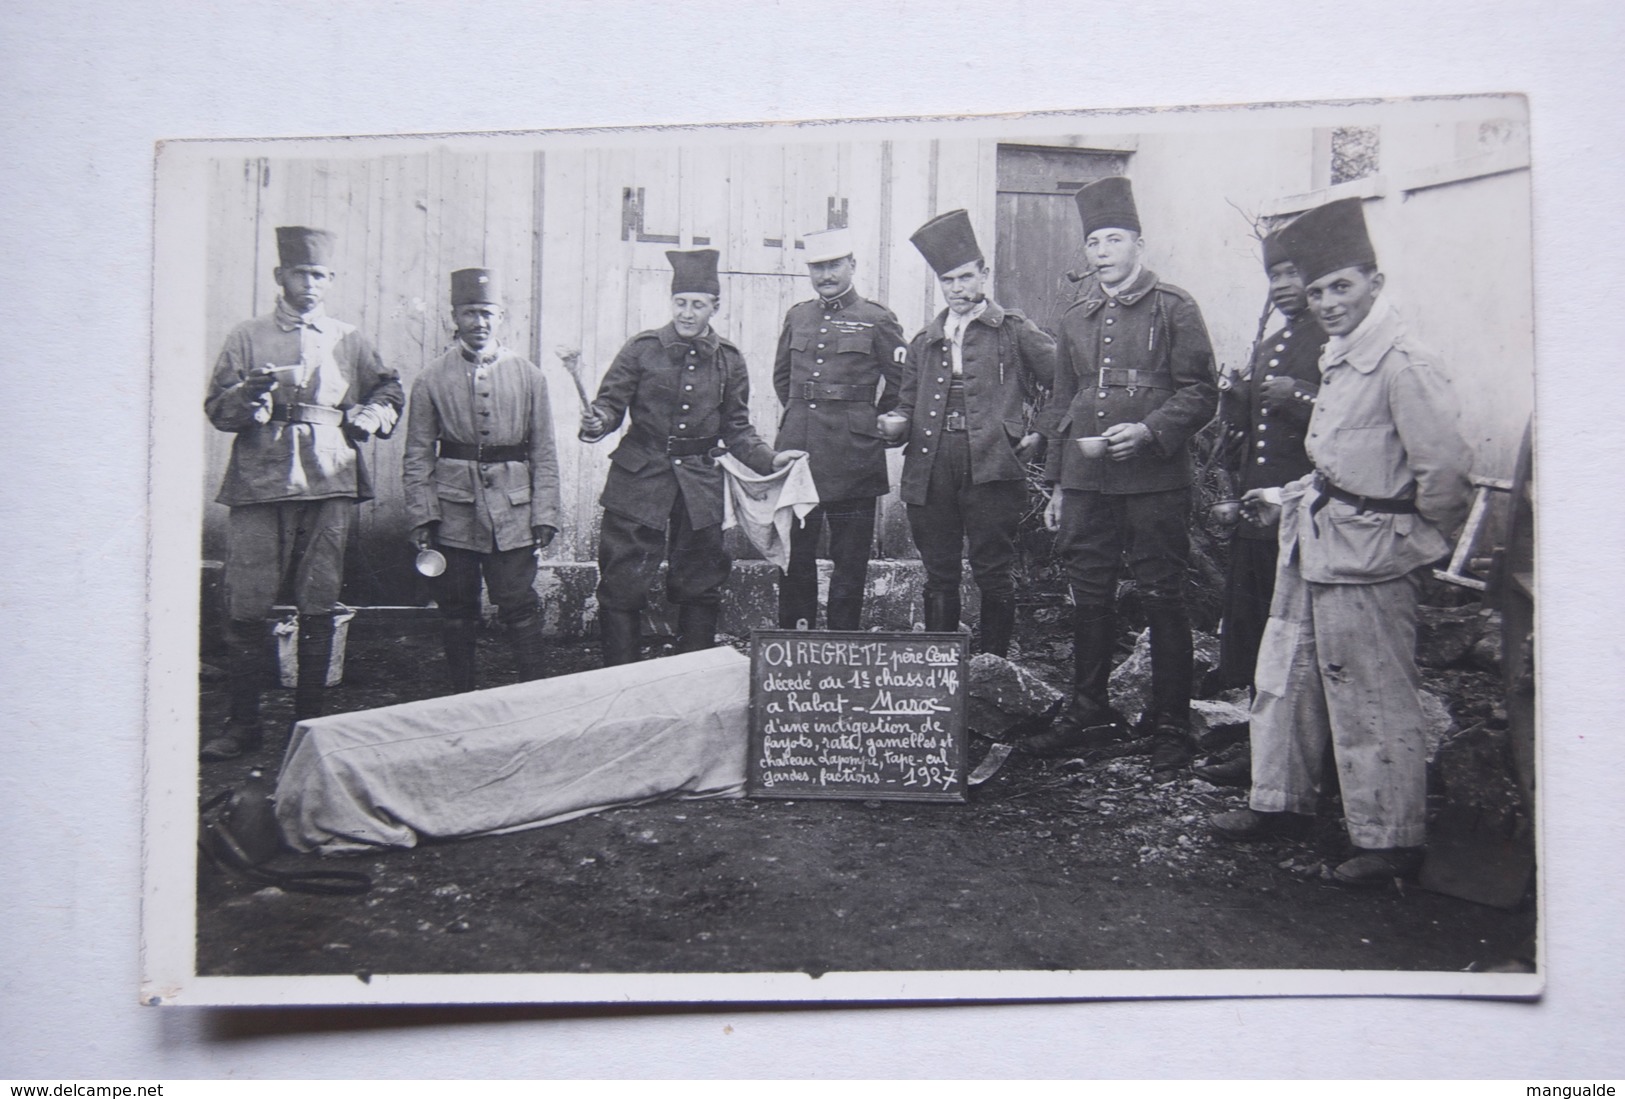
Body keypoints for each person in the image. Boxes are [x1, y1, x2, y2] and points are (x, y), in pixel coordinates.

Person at [1208, 197, 1471, 887]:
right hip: (1311, 537)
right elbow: (1337, 461)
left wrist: (1413, 543)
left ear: (1374, 284)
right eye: (1317, 288)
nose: (1325, 301)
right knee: (1283, 679)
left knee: (1371, 697)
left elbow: (1442, 475)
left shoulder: (1404, 361)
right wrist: (1281, 497)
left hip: (1369, 555)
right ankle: (1279, 803)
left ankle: (1388, 841)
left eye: (1341, 286)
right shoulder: (1339, 354)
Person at [1024, 177, 1218, 774]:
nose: (1102, 251)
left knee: (1162, 593)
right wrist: (1057, 483)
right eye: (1093, 242)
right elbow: (1059, 405)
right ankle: (1088, 709)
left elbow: (1202, 392)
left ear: (1139, 243)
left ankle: (1170, 724)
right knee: (1089, 591)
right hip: (1086, 480)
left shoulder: (1175, 307)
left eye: (1114, 239)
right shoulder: (1076, 316)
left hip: (1154, 480)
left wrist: (1153, 431)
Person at [201, 226, 403, 762]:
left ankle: (308, 723)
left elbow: (389, 387)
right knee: (246, 607)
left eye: (319, 275)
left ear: (329, 281)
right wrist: (247, 395)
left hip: (328, 479)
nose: (309, 284)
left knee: (318, 602)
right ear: (280, 277)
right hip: (260, 482)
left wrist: (371, 412)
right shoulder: (247, 336)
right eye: (300, 273)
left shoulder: (348, 337)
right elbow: (217, 410)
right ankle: (242, 724)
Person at [579, 249, 805, 665]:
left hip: (699, 482)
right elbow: (609, 405)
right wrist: (599, 421)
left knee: (701, 581)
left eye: (697, 304)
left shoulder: (729, 360)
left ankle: (690, 681)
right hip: (638, 477)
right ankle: (617, 682)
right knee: (622, 580)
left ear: (713, 307)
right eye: (680, 302)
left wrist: (770, 460)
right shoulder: (641, 349)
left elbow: (736, 427)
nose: (687, 313)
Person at [1195, 231, 1327, 785]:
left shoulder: (1328, 338)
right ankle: (1259, 743)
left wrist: (1296, 396)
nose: (1284, 286)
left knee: (1294, 632)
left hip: (1303, 509)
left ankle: (1299, 756)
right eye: (1275, 277)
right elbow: (1245, 435)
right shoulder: (1272, 341)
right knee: (1254, 625)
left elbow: (1338, 419)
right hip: (1259, 507)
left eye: (1294, 274)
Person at [893, 209, 1056, 656]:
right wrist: (895, 423)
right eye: (948, 281)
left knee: (993, 569)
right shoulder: (924, 340)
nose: (958, 289)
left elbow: (1065, 383)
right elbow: (907, 403)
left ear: (984, 275)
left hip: (992, 463)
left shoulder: (1015, 331)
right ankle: (943, 670)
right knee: (940, 571)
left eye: (966, 277)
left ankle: (994, 669)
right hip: (930, 463)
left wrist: (1040, 433)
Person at [402, 267, 562, 693]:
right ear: (454, 317)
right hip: (454, 512)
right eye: (470, 313)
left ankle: (534, 696)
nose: (479, 322)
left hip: (514, 511)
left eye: (487, 313)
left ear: (501, 316)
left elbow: (544, 450)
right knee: (456, 608)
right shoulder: (431, 379)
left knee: (519, 604)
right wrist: (423, 516)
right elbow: (418, 454)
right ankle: (462, 697)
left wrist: (545, 512)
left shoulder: (530, 377)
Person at [772, 226, 907, 632]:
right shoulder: (798, 316)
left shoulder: (876, 319)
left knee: (850, 560)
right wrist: (803, 420)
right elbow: (783, 379)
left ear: (852, 265)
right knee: (796, 554)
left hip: (854, 455)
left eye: (833, 266)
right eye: (817, 268)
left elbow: (902, 383)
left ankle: (843, 642)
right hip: (801, 452)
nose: (825, 275)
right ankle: (796, 642)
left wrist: (869, 422)